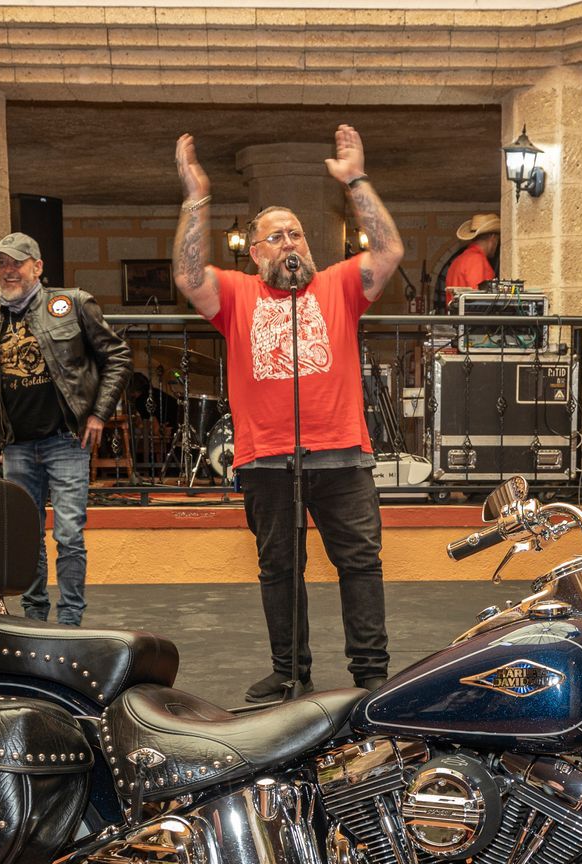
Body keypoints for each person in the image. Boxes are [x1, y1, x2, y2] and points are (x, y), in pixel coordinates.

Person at [172, 125, 405, 702]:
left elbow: (390, 251)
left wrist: (355, 180)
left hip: (343, 451)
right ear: (256, 254)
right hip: (266, 456)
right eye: (276, 238)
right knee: (279, 568)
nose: (290, 244)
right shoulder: (236, 294)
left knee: (360, 563)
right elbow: (187, 276)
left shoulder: (340, 284)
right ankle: (290, 670)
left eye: (296, 235)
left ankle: (371, 672)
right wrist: (196, 195)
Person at [0, 231, 129, 627]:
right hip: (17, 446)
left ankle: (70, 621)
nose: (8, 271)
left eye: (16, 263)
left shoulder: (72, 303)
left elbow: (118, 356)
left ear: (37, 267)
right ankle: (34, 618)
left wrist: (98, 414)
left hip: (65, 440)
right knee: (27, 538)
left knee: (68, 535)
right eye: (2, 264)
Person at [443, 212, 500, 306]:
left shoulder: (458, 260)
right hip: (472, 319)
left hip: (458, 318)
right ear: (492, 238)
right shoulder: (476, 260)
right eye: (497, 240)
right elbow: (480, 301)